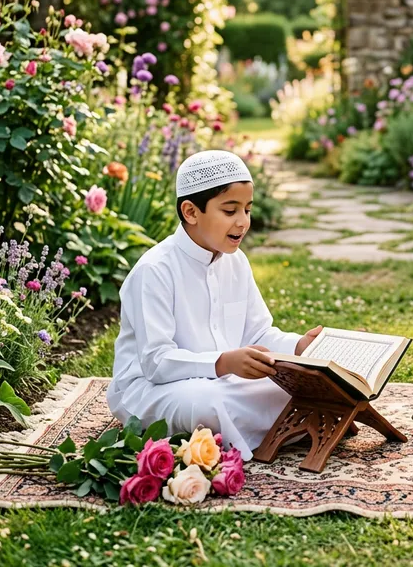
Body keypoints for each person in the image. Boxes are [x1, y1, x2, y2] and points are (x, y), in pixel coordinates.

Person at [106, 149, 322, 460]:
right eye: (230, 210)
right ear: (191, 212)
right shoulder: (154, 271)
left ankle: (280, 425)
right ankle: (292, 425)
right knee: (208, 401)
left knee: (297, 386)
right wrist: (223, 363)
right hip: (153, 389)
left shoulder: (236, 262)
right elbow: (156, 361)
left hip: (226, 381)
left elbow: (258, 333)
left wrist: (297, 346)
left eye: (247, 209)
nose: (243, 222)